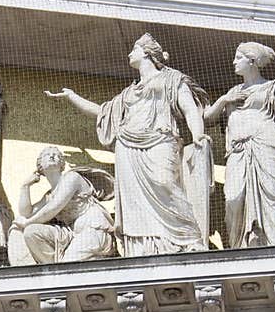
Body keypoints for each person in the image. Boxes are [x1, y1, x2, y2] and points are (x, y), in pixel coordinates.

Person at [46, 33, 209, 257]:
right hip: (128, 148)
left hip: (160, 140)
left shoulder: (171, 79)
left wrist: (198, 135)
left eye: (134, 49)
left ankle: (189, 240)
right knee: (134, 202)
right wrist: (72, 96)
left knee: (166, 183)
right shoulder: (129, 93)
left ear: (147, 53)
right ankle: (142, 249)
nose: (130, 53)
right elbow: (101, 112)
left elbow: (189, 108)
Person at [203, 42, 275, 248]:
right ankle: (239, 247)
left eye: (238, 57)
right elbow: (207, 118)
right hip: (238, 151)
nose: (233, 62)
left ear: (252, 60)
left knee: (273, 201)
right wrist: (224, 100)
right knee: (234, 198)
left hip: (269, 146)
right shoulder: (233, 92)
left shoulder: (274, 87)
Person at [8, 146, 116, 265]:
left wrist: (27, 222)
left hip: (93, 229)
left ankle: (58, 272)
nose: (52, 156)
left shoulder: (72, 178)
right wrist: (25, 187)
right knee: (31, 232)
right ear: (40, 166)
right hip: (73, 234)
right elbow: (26, 214)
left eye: (57, 155)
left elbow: (54, 208)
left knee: (68, 267)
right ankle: (51, 270)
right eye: (47, 154)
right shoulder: (49, 196)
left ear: (62, 164)